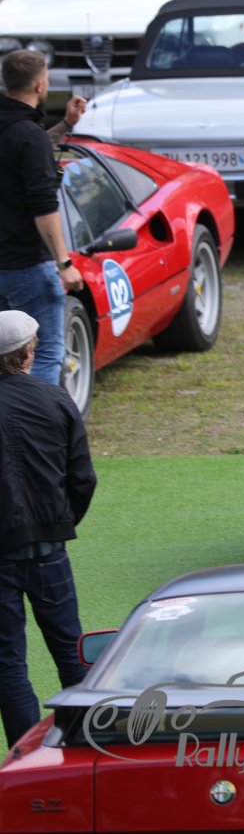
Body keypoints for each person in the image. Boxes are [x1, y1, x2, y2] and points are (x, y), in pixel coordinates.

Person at [0, 310, 97, 746]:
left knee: (7, 664)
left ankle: (24, 759)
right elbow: (83, 479)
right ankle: (83, 745)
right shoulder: (56, 399)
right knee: (71, 652)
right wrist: (59, 522)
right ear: (28, 352)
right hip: (50, 551)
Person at [0, 50, 87, 389]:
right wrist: (64, 262)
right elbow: (44, 207)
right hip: (26, 267)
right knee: (46, 351)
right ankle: (36, 419)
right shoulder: (28, 135)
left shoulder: (19, 131)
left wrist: (66, 125)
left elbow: (22, 150)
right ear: (39, 85)